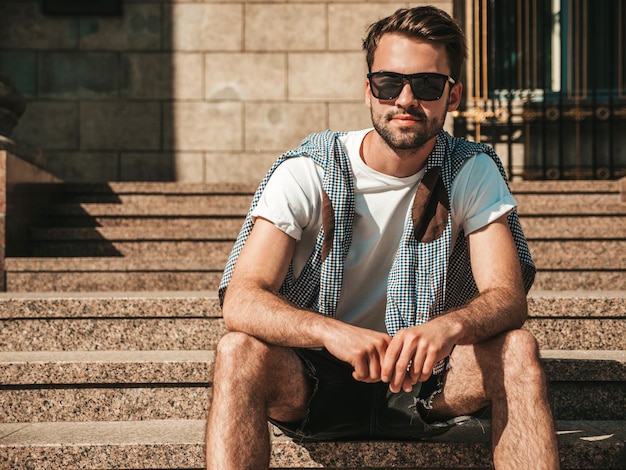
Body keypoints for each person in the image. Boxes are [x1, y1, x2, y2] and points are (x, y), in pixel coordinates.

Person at [206, 5, 560, 469]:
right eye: (389, 83)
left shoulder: (471, 169)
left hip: (427, 381)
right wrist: (330, 333)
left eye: (428, 85)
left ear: (453, 96)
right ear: (369, 91)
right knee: (237, 351)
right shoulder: (308, 170)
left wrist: (448, 327)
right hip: (314, 379)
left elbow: (507, 297)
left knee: (518, 349)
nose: (406, 99)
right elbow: (243, 299)